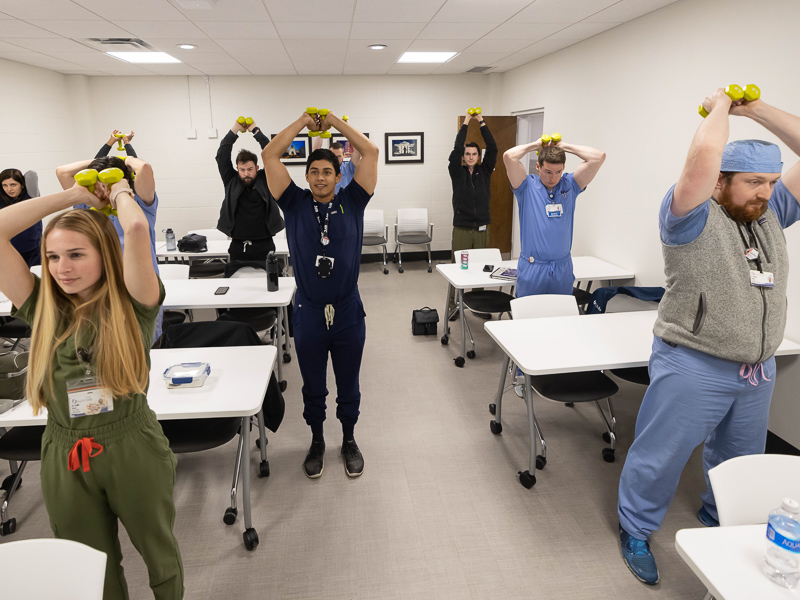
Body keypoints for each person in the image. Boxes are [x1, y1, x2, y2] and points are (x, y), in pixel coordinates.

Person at [617, 89, 800, 586]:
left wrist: (755, 109)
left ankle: (717, 516)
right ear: (720, 182)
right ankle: (635, 527)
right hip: (693, 363)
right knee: (661, 455)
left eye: (769, 181)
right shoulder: (689, 216)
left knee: (742, 457)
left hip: (756, 367)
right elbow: (702, 155)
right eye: (752, 182)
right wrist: (721, 106)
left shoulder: (769, 214)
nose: (764, 192)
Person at [0, 178, 184, 599]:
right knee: (89, 567)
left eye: (76, 255)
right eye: (52, 257)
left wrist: (119, 191)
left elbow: (136, 230)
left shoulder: (133, 303)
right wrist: (72, 196)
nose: (62, 267)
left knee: (160, 558)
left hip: (130, 443)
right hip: (64, 450)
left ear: (105, 254)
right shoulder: (42, 306)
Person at [263, 109, 378, 479]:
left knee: (348, 384)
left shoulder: (353, 201)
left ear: (338, 173)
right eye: (313, 171)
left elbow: (371, 152)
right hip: (309, 313)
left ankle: (348, 439)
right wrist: (301, 121)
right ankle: (316, 440)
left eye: (327, 170)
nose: (320, 177)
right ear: (306, 175)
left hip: (347, 312)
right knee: (313, 386)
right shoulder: (293, 203)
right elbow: (269, 156)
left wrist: (333, 123)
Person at [57, 154, 164, 345]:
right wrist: (98, 165)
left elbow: (145, 168)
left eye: (109, 181)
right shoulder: (86, 207)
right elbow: (62, 172)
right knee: (107, 350)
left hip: (141, 290)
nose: (103, 188)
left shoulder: (139, 205)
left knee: (147, 347)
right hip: (100, 290)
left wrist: (126, 160)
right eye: (99, 182)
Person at [503, 135, 606, 299]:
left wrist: (564, 146)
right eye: (548, 172)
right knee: (528, 321)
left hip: (561, 268)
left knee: (560, 320)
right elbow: (509, 156)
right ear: (538, 166)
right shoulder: (526, 186)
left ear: (563, 168)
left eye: (558, 172)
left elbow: (599, 157)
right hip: (533, 267)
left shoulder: (570, 185)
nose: (553, 177)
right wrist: (535, 145)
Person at [447, 109, 498, 320]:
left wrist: (482, 123)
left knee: (480, 268)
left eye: (474, 154)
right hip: (462, 227)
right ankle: (452, 305)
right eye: (467, 154)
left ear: (479, 157)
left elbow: (493, 148)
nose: (470, 157)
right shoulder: (456, 172)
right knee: (457, 266)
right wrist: (467, 122)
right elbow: (456, 148)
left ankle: (479, 304)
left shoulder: (484, 171)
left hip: (482, 227)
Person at [216, 118, 284, 262]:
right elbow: (222, 155)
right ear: (237, 169)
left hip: (265, 242)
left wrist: (255, 131)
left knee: (270, 282)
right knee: (235, 282)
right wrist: (234, 129)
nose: (246, 173)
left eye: (250, 169)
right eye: (242, 170)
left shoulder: (265, 179)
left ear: (257, 168)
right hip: (238, 244)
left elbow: (272, 153)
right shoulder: (231, 180)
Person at [0, 168, 42, 266]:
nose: (9, 189)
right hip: (10, 251)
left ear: (22, 184)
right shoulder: (2, 200)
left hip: (33, 251)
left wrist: (19, 176)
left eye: (13, 185)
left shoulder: (31, 197)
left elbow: (31, 174)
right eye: (4, 185)